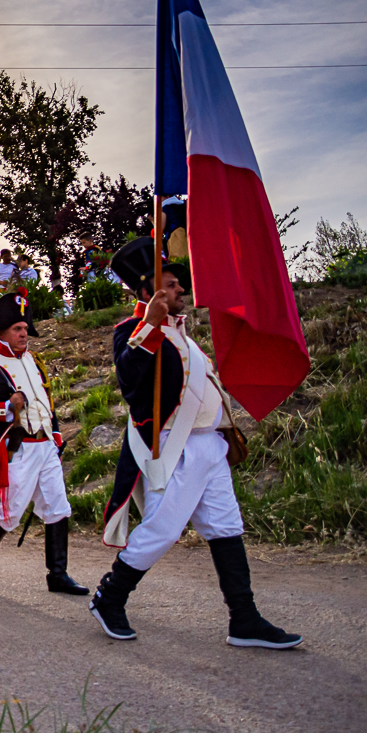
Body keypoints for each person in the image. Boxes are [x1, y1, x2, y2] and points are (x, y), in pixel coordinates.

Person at [91, 239, 301, 648]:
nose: (180, 291)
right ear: (148, 292)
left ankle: (244, 619)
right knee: (161, 531)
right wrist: (148, 325)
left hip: (210, 447)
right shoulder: (129, 332)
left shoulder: (185, 337)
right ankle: (109, 597)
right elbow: (130, 381)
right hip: (174, 448)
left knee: (226, 528)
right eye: (170, 285)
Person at [0, 290, 87, 596]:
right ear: (1, 332)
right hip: (16, 448)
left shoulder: (34, 360)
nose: (24, 334)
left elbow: (47, 402)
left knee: (58, 507)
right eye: (17, 329)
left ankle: (58, 574)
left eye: (25, 329)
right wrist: (6, 406)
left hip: (45, 446)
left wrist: (55, 433)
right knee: (10, 512)